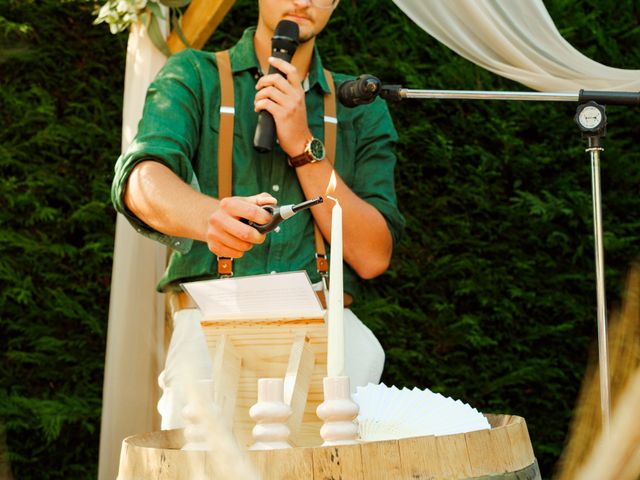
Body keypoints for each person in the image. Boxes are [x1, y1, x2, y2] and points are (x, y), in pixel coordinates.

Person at [111, 0, 404, 429]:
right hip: (210, 330)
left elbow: (373, 255)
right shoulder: (193, 74)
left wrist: (305, 146)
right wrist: (208, 217)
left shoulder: (362, 105)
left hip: (327, 339)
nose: (303, 1)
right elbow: (139, 179)